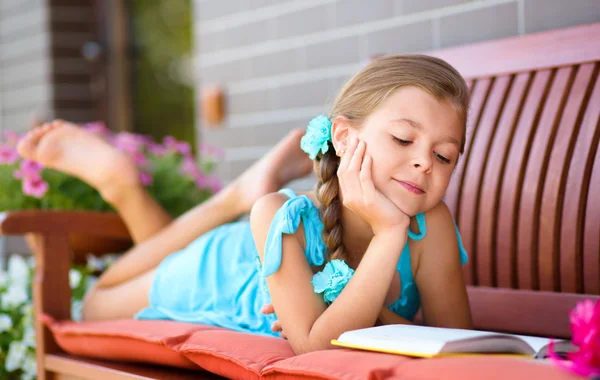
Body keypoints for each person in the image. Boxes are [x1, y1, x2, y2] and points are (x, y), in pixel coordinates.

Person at [17, 54, 472, 355]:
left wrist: (368, 304)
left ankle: (236, 190)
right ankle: (127, 184)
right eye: (403, 138)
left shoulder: (431, 224)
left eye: (443, 155)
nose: (422, 162)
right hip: (220, 272)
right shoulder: (282, 217)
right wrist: (390, 233)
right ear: (345, 137)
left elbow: (457, 341)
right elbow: (317, 348)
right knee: (96, 303)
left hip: (262, 246)